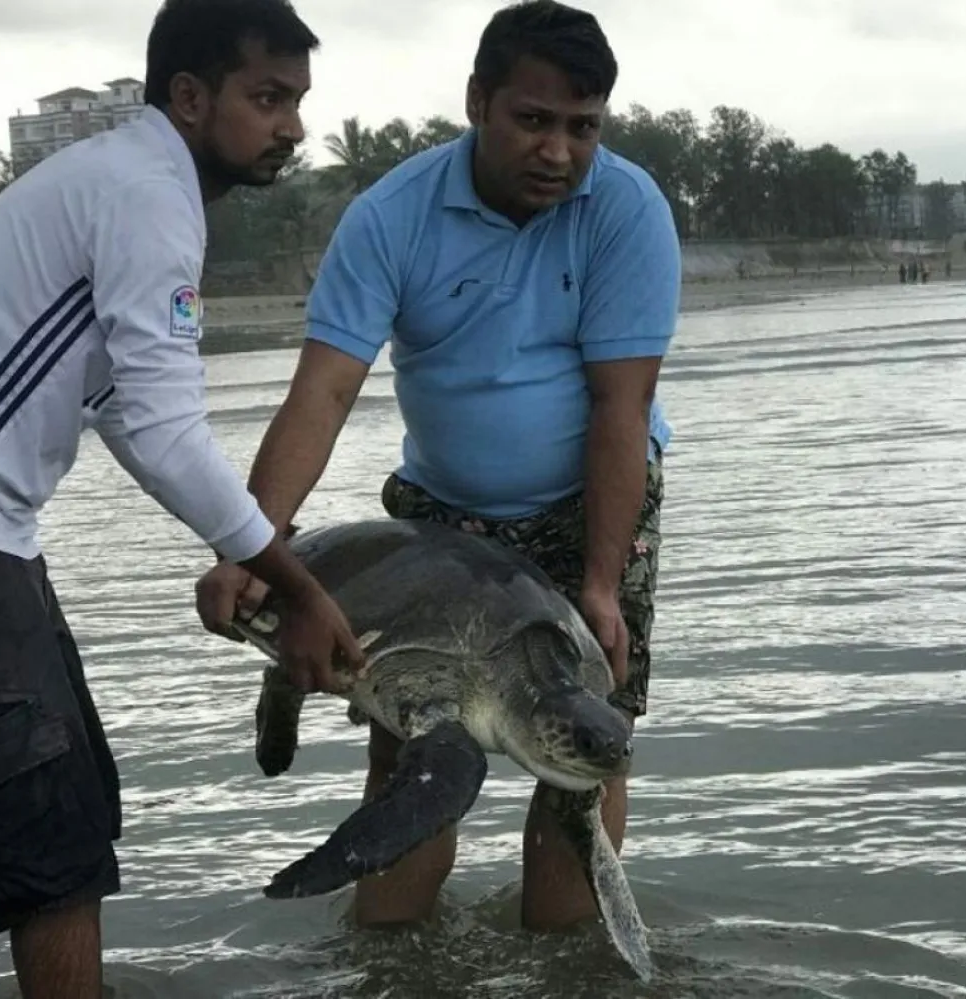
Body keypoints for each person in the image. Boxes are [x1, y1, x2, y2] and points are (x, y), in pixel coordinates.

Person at [0, 1, 365, 995]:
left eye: (299, 102)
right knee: (52, 856)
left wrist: (246, 555)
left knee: (70, 819)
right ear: (189, 98)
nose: (293, 127)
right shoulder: (149, 193)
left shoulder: (122, 180)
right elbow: (162, 429)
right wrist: (302, 590)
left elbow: (117, 408)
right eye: (268, 98)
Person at [194, 0, 681, 936]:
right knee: (415, 755)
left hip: (592, 503)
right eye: (533, 120)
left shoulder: (626, 209)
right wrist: (246, 542)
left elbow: (622, 408)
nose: (559, 151)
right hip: (443, 518)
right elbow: (323, 395)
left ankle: (567, 964)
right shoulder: (391, 216)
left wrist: (602, 585)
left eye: (583, 128)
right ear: (477, 102)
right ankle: (388, 961)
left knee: (582, 760)